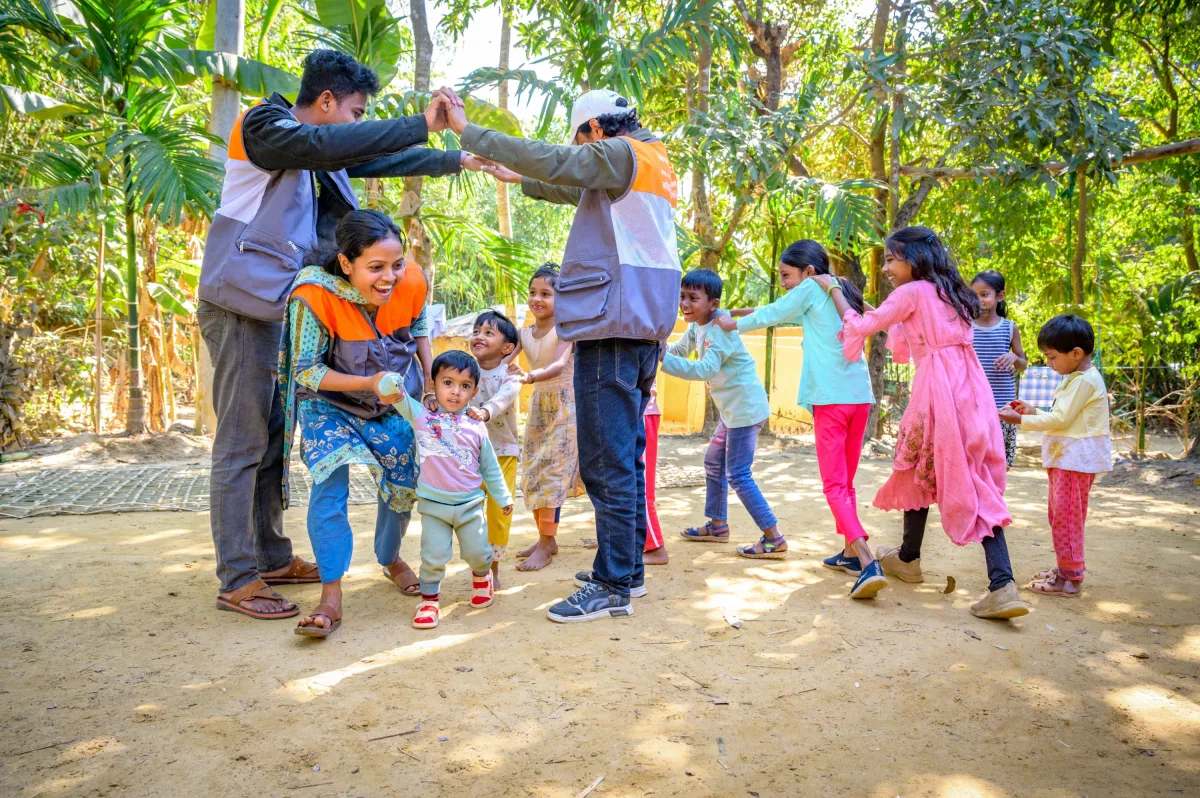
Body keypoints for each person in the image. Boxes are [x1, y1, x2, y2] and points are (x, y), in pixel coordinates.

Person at [201, 48, 479, 620]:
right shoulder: (267, 127)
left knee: (272, 435)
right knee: (242, 442)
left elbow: (372, 157)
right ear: (325, 101)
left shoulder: (313, 152)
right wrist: (424, 121)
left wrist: (457, 160)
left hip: (276, 309)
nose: (357, 124)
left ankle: (271, 556)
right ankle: (237, 577)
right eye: (355, 112)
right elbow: (336, 145)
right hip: (239, 306)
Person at [453, 89, 681, 622]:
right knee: (625, 456)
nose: (578, 152)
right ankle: (627, 570)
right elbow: (567, 180)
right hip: (641, 325)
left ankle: (610, 585)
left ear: (596, 133)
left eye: (580, 142)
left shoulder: (621, 152)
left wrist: (469, 131)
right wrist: (518, 180)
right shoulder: (652, 159)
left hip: (611, 327)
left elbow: (561, 163)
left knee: (605, 462)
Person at [813, 226, 1031, 619]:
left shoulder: (912, 293)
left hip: (939, 394)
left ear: (913, 260)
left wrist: (833, 290)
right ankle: (908, 559)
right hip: (972, 391)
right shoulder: (955, 293)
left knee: (964, 479)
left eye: (892, 259)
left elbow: (862, 326)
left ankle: (1003, 584)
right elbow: (898, 330)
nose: (887, 268)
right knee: (925, 467)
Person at [276, 211, 422, 637]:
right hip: (329, 404)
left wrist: (428, 382)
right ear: (345, 264)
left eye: (396, 265)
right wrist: (368, 382)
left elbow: (421, 328)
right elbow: (305, 369)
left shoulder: (410, 281)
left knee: (403, 482)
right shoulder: (312, 296)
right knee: (330, 484)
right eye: (374, 268)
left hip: (387, 404)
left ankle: (389, 557)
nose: (389, 277)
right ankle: (331, 596)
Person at [715, 240, 885, 599]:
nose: (783, 282)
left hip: (832, 400)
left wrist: (730, 324)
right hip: (859, 398)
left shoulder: (809, 288)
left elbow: (773, 313)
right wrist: (737, 310)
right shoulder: (840, 290)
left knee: (834, 486)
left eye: (785, 275)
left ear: (808, 271)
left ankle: (869, 560)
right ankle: (851, 553)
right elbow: (779, 308)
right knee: (847, 483)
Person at [661, 272, 805, 568]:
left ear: (712, 304)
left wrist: (658, 359)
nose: (684, 304)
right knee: (714, 462)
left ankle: (773, 537)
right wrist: (654, 347)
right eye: (682, 297)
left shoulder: (719, 330)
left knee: (738, 473)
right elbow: (677, 350)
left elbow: (703, 369)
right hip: (733, 411)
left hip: (744, 411)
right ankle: (717, 525)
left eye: (693, 298)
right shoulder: (698, 326)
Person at [380, 352, 514, 629]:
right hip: (434, 507)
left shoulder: (477, 427)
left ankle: (481, 577)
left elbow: (489, 468)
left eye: (464, 386)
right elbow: (400, 398)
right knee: (434, 556)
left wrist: (503, 497)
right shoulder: (421, 416)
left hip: (469, 507)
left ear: (474, 391)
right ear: (434, 385)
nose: (455, 391)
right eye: (448, 382)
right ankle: (429, 601)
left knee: (478, 553)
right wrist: (391, 382)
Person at [999, 314, 1110, 598]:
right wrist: (1032, 411)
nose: (1048, 363)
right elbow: (1064, 416)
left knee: (1066, 519)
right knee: (1059, 515)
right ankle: (1065, 569)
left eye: (1051, 357)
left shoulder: (1084, 380)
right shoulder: (1075, 378)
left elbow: (1060, 419)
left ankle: (1070, 579)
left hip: (1075, 462)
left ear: (1076, 353)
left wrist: (1019, 421)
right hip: (1066, 460)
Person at [506, 265, 585, 573]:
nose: (536, 299)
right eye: (533, 293)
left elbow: (558, 364)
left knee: (553, 473)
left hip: (566, 406)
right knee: (536, 471)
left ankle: (545, 544)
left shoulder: (565, 331)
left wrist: (528, 376)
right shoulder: (524, 333)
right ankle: (546, 540)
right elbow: (502, 357)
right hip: (539, 406)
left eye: (546, 294)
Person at [467, 310, 523, 589]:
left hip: (502, 453)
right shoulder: (465, 372)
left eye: (489, 333)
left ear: (507, 348)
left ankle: (494, 568)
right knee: (470, 513)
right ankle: (478, 564)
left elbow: (503, 399)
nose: (479, 336)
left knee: (499, 513)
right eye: (477, 331)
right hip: (469, 456)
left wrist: (484, 412)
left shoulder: (511, 375)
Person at [971, 270, 1026, 467]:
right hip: (973, 404)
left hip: (1003, 406)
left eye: (984, 295)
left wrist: (1013, 357)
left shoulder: (1009, 327)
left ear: (1000, 296)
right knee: (975, 460)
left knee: (998, 463)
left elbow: (1023, 364)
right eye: (974, 295)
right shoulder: (966, 326)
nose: (979, 300)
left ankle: (994, 497)